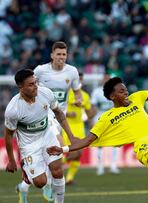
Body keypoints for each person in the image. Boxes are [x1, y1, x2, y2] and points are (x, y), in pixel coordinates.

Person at [47, 54, 148, 203]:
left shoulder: (136, 98)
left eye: (125, 90)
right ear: (112, 97)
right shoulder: (107, 117)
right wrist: (63, 149)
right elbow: (88, 140)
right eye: (121, 91)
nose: (126, 93)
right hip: (143, 146)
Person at [16, 41, 82, 201]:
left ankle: (24, 186)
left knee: (50, 157)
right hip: (45, 115)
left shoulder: (72, 72)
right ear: (52, 55)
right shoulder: (41, 70)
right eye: (58, 54)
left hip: (60, 116)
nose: (61, 57)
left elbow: (77, 91)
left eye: (64, 54)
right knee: (57, 149)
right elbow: (28, 86)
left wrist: (79, 99)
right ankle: (48, 185)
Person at [4, 69, 77, 203]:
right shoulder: (13, 109)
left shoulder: (45, 93)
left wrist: (71, 136)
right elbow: (8, 135)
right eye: (31, 84)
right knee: (40, 182)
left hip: (47, 135)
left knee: (57, 172)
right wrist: (11, 159)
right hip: (29, 144)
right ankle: (25, 177)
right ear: (21, 87)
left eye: (35, 82)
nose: (35, 86)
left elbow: (59, 113)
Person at [62, 72, 96, 185]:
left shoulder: (85, 96)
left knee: (79, 153)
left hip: (80, 126)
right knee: (72, 152)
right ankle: (57, 164)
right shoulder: (66, 94)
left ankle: (69, 178)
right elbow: (57, 109)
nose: (79, 82)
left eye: (81, 80)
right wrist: (67, 114)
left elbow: (89, 112)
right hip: (67, 127)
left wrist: (91, 115)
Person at [91, 74, 120, 175]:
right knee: (100, 144)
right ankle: (100, 167)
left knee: (115, 143)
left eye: (108, 79)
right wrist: (92, 120)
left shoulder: (115, 92)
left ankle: (113, 166)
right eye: (105, 79)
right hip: (100, 120)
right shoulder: (97, 91)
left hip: (113, 119)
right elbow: (93, 107)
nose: (106, 81)